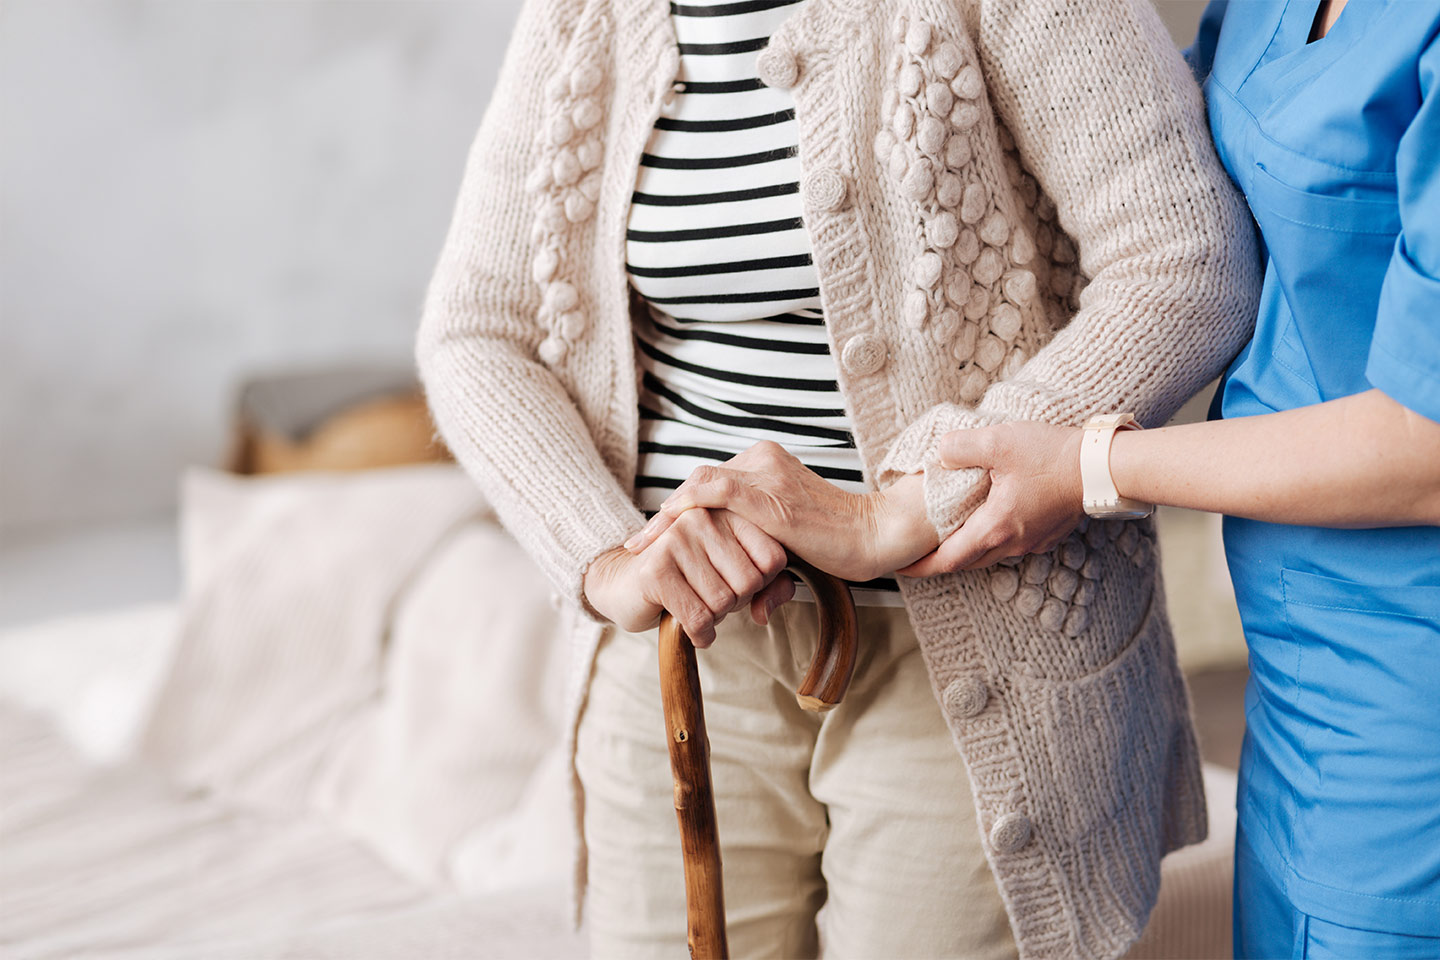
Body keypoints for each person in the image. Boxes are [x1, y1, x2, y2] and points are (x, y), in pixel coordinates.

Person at [416, 0, 1260, 956]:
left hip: (972, 640)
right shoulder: (583, 15)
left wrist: (913, 503)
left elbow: (1188, 258)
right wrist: (605, 556)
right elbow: (479, 332)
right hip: (686, 659)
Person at [900, 1, 1440, 956]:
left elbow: (1424, 442)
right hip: (1300, 649)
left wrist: (1094, 465)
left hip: (1411, 672)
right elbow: (1159, 180)